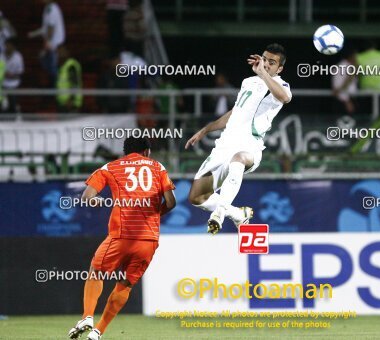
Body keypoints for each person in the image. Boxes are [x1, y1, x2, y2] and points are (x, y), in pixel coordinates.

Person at [68, 137, 176, 340]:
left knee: (96, 272)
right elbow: (170, 202)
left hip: (122, 235)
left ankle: (87, 317)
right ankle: (98, 331)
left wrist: (96, 200)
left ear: (126, 152)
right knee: (125, 284)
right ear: (147, 152)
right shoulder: (157, 167)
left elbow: (86, 197)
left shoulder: (111, 167)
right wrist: (151, 215)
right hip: (149, 240)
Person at [185, 43, 292, 234]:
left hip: (250, 146)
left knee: (239, 159)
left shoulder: (281, 85)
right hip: (224, 145)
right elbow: (235, 112)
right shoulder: (248, 82)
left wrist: (263, 74)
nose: (267, 64)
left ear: (280, 68)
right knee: (196, 196)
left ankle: (219, 212)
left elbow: (284, 98)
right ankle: (237, 214)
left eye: (272, 63)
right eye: (265, 59)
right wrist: (205, 130)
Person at [28, 0, 65, 86]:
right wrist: (33, 34)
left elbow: (50, 29)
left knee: (53, 73)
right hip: (51, 46)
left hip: (54, 46)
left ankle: (55, 92)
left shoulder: (52, 9)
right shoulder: (47, 8)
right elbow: (45, 28)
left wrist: (46, 46)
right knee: (49, 71)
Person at [56, 45, 82, 112]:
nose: (58, 55)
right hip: (63, 104)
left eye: (59, 52)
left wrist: (71, 100)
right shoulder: (62, 66)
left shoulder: (71, 65)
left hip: (70, 104)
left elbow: (74, 84)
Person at [331, 49, 358, 115]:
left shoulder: (341, 65)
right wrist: (347, 101)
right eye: (355, 56)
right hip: (345, 99)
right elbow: (347, 80)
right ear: (351, 56)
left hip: (343, 97)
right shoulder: (345, 66)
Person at [1, 38, 24, 113]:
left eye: (9, 45)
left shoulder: (18, 57)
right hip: (2, 84)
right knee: (2, 106)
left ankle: (13, 116)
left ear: (14, 47)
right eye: (6, 45)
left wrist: (12, 75)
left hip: (14, 84)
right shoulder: (1, 56)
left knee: (12, 104)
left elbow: (20, 73)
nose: (7, 47)